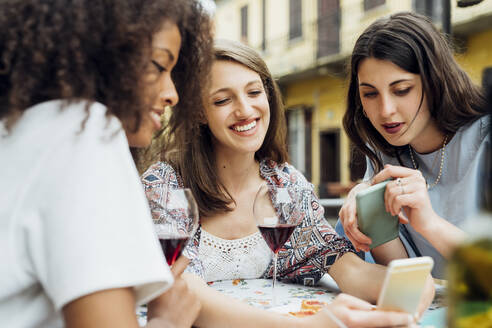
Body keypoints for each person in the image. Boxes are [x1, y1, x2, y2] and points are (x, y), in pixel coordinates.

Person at [142, 39, 429, 327]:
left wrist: (410, 287)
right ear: (199, 112)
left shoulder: (286, 184)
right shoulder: (165, 184)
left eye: (254, 92)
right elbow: (184, 290)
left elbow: (343, 265)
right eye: (222, 100)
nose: (245, 110)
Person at [0, 0, 213, 327]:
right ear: (100, 56)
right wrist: (168, 322)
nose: (173, 94)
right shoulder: (82, 134)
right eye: (158, 65)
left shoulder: (22, 132)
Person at [337, 12, 490, 279]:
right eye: (370, 94)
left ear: (435, 82)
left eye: (402, 89)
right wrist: (369, 211)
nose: (385, 111)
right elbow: (403, 273)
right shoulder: (384, 152)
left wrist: (428, 223)